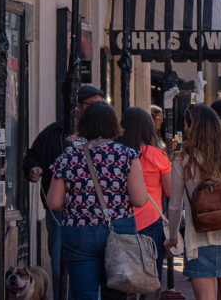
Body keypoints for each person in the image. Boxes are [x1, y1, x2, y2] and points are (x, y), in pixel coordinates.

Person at [45, 102, 150, 300]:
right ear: (113, 125)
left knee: (83, 294)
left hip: (78, 231)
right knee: (117, 291)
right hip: (118, 229)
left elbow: (54, 202)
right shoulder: (127, 155)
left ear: (83, 125)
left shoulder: (68, 156)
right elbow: (139, 200)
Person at [164, 104, 221, 300]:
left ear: (191, 127)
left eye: (186, 125)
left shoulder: (182, 160)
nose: (185, 129)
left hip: (197, 240)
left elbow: (175, 205)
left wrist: (172, 236)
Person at [24, 85, 107, 268]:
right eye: (92, 105)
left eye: (100, 104)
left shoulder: (106, 134)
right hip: (60, 208)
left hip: (95, 208)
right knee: (60, 260)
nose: (97, 109)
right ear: (78, 106)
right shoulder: (54, 132)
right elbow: (33, 156)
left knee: (96, 263)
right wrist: (34, 168)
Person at [119, 107, 172, 282]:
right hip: (150, 218)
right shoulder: (156, 155)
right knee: (150, 275)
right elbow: (171, 190)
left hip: (120, 220)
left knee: (122, 272)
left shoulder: (117, 153)